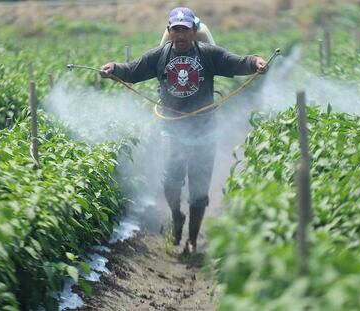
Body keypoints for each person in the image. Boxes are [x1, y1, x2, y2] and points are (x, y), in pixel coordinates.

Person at [100, 7, 268, 253]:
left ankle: (191, 238)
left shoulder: (209, 55)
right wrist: (113, 68)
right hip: (173, 129)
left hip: (205, 131)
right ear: (169, 31)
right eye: (175, 29)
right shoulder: (158, 56)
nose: (180, 35)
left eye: (185, 29)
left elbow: (238, 62)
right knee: (171, 182)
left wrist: (256, 62)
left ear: (193, 31)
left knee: (199, 191)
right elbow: (132, 71)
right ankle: (177, 217)